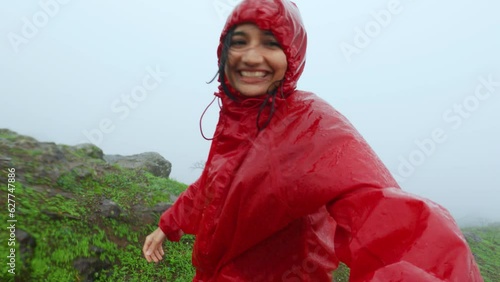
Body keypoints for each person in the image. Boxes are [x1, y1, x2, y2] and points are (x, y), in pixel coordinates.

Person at [143, 0, 483, 281]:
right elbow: (213, 186)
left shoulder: (312, 123)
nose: (250, 56)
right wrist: (167, 226)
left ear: (292, 53)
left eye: (270, 42)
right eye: (240, 41)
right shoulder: (236, 117)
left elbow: (382, 209)